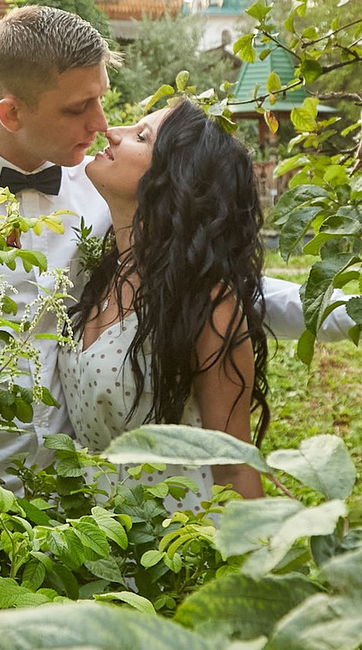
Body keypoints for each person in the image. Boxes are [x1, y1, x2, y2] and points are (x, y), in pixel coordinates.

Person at [0, 4, 339, 476]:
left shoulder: (108, 191)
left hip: (76, 516)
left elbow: (211, 283)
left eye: (101, 98)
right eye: (79, 108)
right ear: (12, 113)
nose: (101, 123)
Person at [60, 99, 266, 503]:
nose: (111, 132)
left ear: (174, 179)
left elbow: (234, 466)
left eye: (141, 136)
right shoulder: (97, 277)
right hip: (92, 544)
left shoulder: (208, 304)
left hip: (177, 548)